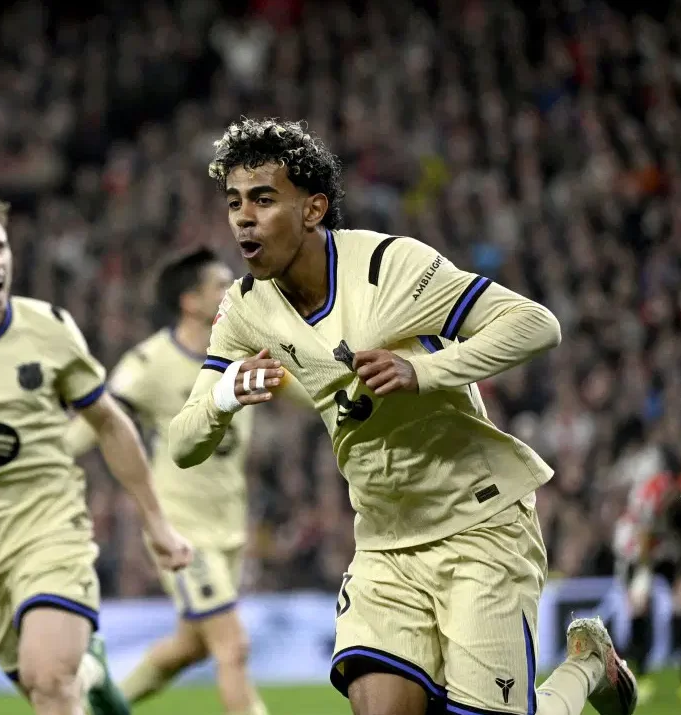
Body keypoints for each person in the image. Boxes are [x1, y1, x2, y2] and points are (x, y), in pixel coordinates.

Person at [169, 118, 638, 715]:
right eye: (235, 202)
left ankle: (588, 668)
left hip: (478, 524)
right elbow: (183, 443)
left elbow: (535, 325)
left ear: (313, 209)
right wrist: (222, 397)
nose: (243, 217)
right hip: (385, 544)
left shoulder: (389, 265)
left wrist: (425, 371)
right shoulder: (243, 308)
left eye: (263, 199)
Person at [0, 191, 193, 715]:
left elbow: (109, 423)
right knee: (55, 693)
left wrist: (156, 522)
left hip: (50, 530)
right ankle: (89, 673)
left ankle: (74, 671)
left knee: (48, 679)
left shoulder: (48, 328)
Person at [66, 247, 282, 715]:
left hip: (229, 525)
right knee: (232, 646)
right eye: (219, 285)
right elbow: (101, 418)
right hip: (182, 529)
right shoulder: (150, 362)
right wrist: (53, 456)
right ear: (190, 301)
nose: (233, 291)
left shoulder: (242, 349)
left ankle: (93, 704)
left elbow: (301, 387)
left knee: (191, 646)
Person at [613, 446, 681, 704]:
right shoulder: (648, 495)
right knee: (639, 603)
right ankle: (640, 678)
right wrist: (644, 573)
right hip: (640, 549)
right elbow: (641, 536)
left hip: (674, 549)